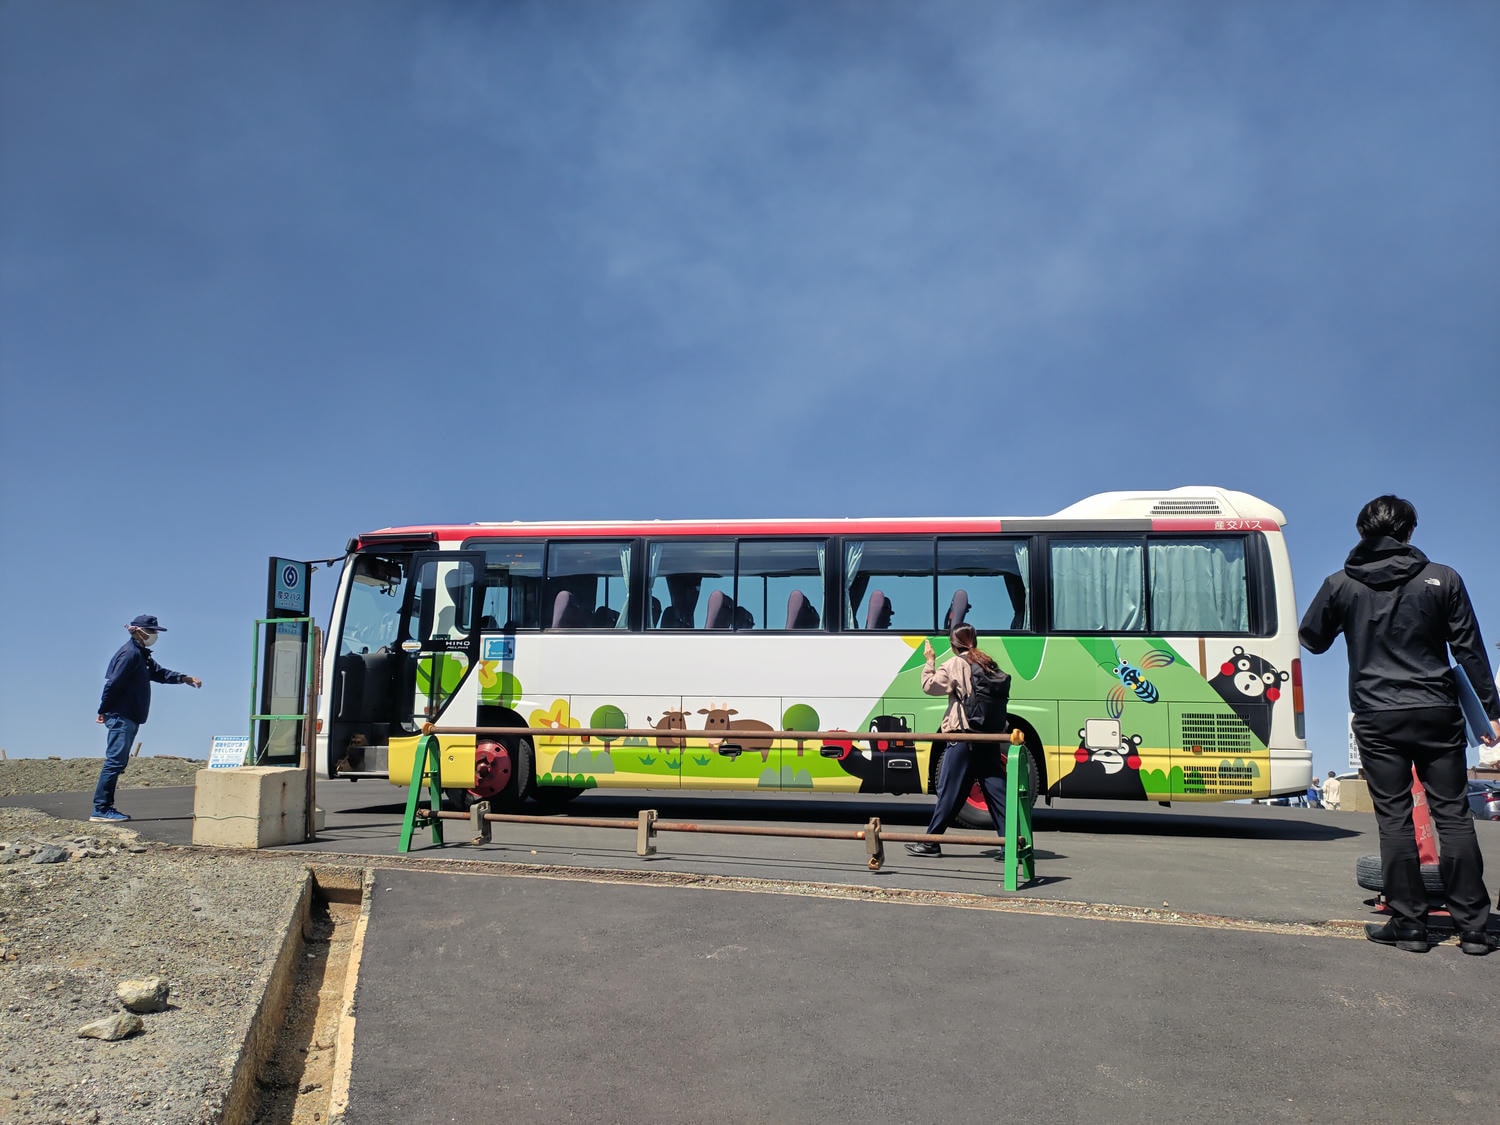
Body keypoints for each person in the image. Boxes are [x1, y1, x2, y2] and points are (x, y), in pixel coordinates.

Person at [1299, 495, 1500, 955]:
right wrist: (1492, 708)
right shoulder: (1442, 579)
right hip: (1436, 710)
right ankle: (1473, 927)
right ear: (1409, 532)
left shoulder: (1340, 584)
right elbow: (1469, 648)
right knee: (1452, 814)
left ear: (1362, 532)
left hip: (1376, 714)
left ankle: (1409, 925)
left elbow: (1312, 639)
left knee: (1394, 818)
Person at [905, 624, 1009, 858]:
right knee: (996, 792)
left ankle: (931, 842)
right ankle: (1010, 843)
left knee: (949, 790)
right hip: (988, 737)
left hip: (963, 738)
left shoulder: (954, 664)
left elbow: (929, 686)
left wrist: (929, 661)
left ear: (954, 645)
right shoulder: (988, 664)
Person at [93, 614, 202, 823]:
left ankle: (104, 807)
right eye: (151, 631)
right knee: (115, 762)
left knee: (118, 762)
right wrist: (104, 709)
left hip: (130, 715)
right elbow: (113, 684)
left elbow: (158, 673)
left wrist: (183, 678)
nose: (154, 635)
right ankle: (101, 809)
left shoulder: (141, 655)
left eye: (155, 632)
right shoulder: (130, 654)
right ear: (138, 631)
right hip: (121, 714)